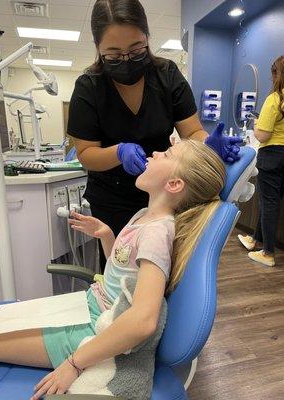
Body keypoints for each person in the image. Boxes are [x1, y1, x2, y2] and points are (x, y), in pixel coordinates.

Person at [0, 140, 225, 398]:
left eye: (166, 154)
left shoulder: (157, 233)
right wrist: (106, 236)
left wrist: (74, 363)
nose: (155, 152)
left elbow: (144, 321)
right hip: (86, 305)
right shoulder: (145, 216)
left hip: (91, 329)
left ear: (174, 184)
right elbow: (122, 273)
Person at [67, 0, 240, 270]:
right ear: (98, 48)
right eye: (113, 54)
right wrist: (118, 152)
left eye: (136, 50)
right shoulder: (89, 87)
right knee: (117, 267)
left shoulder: (166, 75)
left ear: (147, 38)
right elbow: (86, 153)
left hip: (162, 196)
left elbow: (192, 131)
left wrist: (207, 144)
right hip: (111, 199)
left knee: (159, 267)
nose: (125, 60)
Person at [238, 55, 284, 267]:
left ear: (277, 74)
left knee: (268, 203)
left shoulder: (275, 99)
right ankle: (255, 239)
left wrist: (256, 125)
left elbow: (263, 135)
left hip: (272, 155)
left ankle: (267, 253)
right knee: (271, 202)